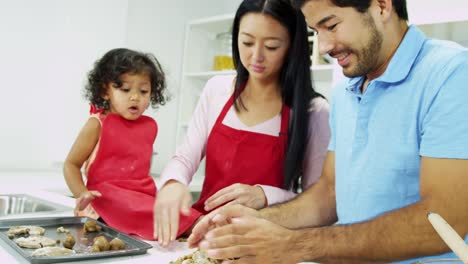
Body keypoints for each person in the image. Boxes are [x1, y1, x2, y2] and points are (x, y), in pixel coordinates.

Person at [187, 0, 468, 263]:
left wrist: (292, 245)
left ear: (382, 6)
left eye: (331, 25)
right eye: (315, 31)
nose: (323, 46)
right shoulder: (345, 92)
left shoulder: (451, 74)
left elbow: (445, 219)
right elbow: (330, 191)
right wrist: (255, 219)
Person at [154, 0, 330, 247]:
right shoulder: (217, 89)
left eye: (271, 46)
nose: (255, 56)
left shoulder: (313, 111)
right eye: (246, 42)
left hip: (262, 243)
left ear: (292, 46)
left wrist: (265, 195)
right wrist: (173, 183)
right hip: (205, 234)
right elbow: (184, 158)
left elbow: (317, 204)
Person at [63, 48, 167, 240]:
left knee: (173, 211)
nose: (135, 97)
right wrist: (82, 194)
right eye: (125, 90)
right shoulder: (97, 124)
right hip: (106, 201)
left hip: (140, 198)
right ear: (105, 91)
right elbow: (71, 165)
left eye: (143, 91)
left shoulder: (149, 127)